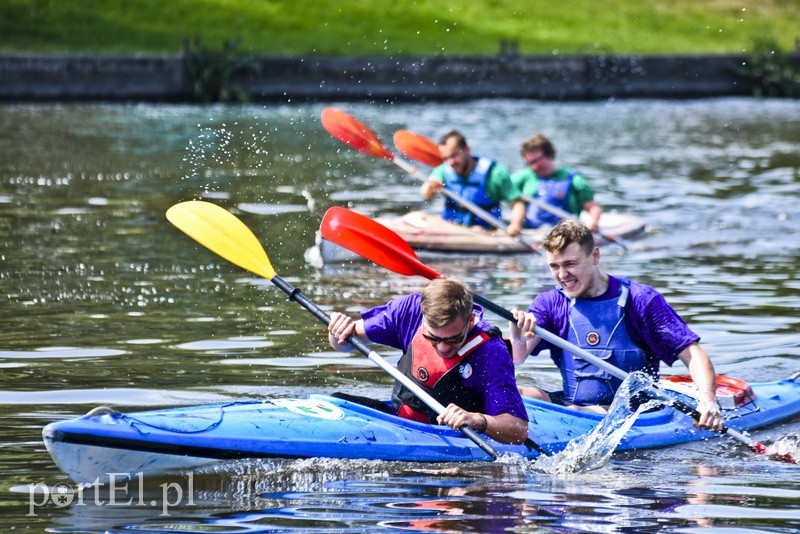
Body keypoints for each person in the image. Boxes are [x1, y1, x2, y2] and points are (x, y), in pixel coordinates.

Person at [509, 219, 724, 431]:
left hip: (635, 416)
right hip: (573, 409)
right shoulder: (549, 303)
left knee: (581, 409)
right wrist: (517, 337)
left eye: (570, 264)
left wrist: (708, 402)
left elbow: (692, 354)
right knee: (513, 391)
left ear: (595, 256)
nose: (562, 275)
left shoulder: (641, 300)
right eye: (554, 266)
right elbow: (518, 358)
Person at [328, 277, 529, 444]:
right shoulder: (409, 311)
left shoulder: (492, 352)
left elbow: (519, 430)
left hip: (452, 438)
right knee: (336, 400)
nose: (443, 347)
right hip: (397, 423)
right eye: (433, 338)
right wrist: (336, 332)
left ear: (470, 321)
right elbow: (343, 344)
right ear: (423, 318)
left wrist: (476, 419)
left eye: (453, 339)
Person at [420, 130, 528, 236]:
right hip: (451, 228)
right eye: (446, 158)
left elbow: (517, 204)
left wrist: (515, 225)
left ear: (467, 149)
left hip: (484, 232)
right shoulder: (444, 170)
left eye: (454, 156)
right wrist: (430, 187)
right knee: (416, 216)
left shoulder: (495, 174)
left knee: (478, 230)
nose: (451, 162)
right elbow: (425, 193)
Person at [511, 134, 602, 232]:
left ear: (550, 154)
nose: (535, 166)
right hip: (530, 231)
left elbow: (593, 207)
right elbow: (504, 193)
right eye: (530, 163)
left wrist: (593, 223)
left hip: (563, 233)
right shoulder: (523, 177)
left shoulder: (574, 179)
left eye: (537, 160)